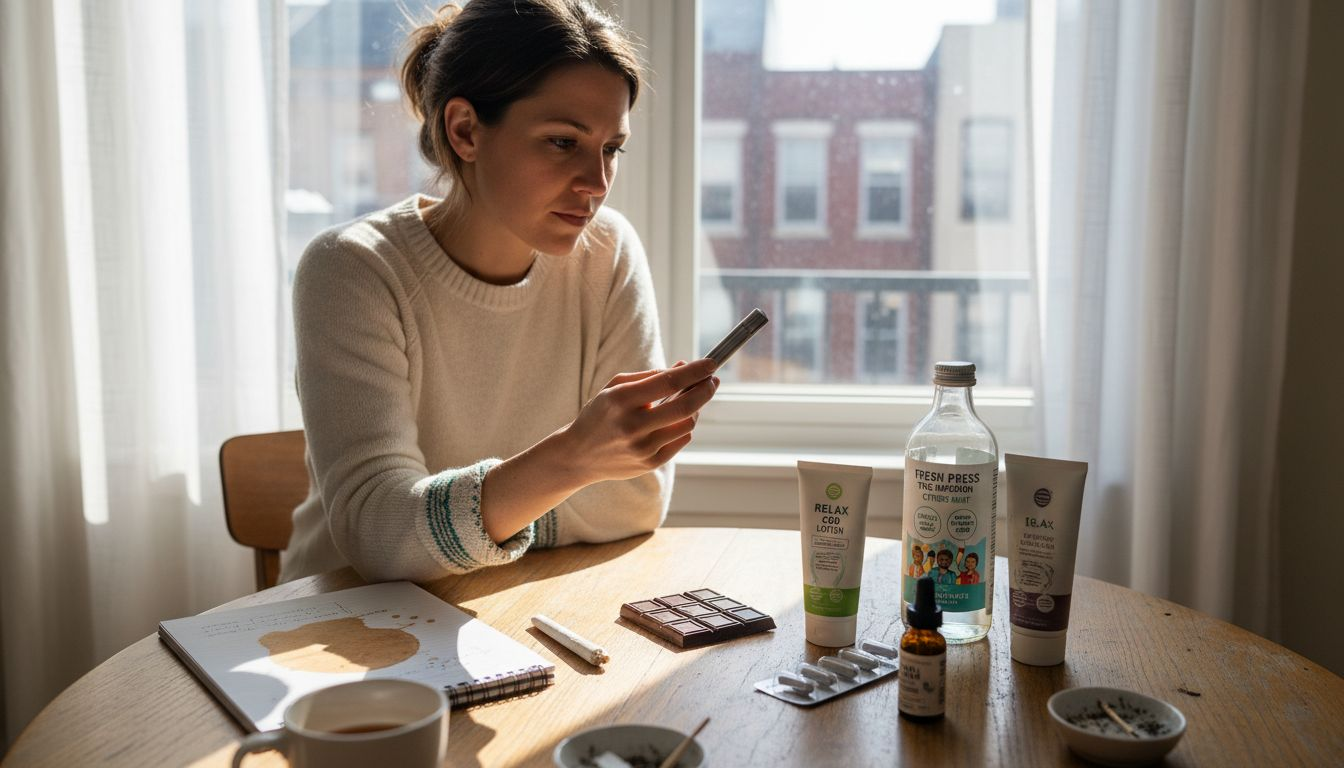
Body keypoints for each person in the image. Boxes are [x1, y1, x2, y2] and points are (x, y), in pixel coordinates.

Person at [279, 0, 719, 584]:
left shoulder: (608, 253)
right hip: (340, 626)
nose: (596, 184)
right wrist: (573, 461)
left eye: (610, 148)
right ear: (464, 130)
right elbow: (378, 535)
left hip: (506, 611)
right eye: (563, 142)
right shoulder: (354, 269)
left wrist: (458, 521)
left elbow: (636, 501)